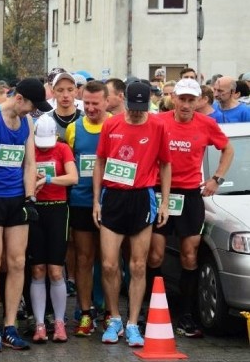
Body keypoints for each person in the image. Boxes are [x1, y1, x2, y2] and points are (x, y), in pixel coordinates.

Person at [0, 77, 51, 352]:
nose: (32, 111)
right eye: (30, 105)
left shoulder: (27, 123)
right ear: (19, 99)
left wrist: (30, 197)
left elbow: (30, 162)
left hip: (17, 199)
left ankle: (10, 325)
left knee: (17, 262)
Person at [147, 78, 233, 338]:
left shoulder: (207, 124)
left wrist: (216, 178)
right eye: (181, 99)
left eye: (190, 100)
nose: (185, 104)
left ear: (199, 101)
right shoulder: (159, 121)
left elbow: (227, 149)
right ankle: (152, 309)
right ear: (174, 99)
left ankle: (186, 314)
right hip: (161, 193)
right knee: (155, 255)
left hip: (190, 195)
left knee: (189, 255)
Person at [93, 81, 171, 348]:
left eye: (141, 107)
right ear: (124, 101)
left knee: (138, 265)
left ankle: (133, 323)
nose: (137, 113)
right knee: (109, 264)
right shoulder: (111, 124)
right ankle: (114, 317)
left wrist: (164, 202)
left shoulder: (158, 125)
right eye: (133, 107)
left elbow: (166, 164)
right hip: (113, 197)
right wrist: (96, 201)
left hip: (142, 196)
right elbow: (100, 161)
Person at [64, 80, 111, 337]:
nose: (91, 108)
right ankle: (85, 312)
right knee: (83, 258)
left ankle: (109, 312)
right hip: (81, 200)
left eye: (96, 103)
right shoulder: (74, 128)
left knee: (109, 261)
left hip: (111, 201)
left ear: (106, 101)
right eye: (88, 103)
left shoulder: (116, 125)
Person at [28, 114, 78, 343]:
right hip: (36, 210)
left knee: (56, 271)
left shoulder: (62, 149)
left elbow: (72, 177)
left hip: (58, 209)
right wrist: (31, 182)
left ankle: (59, 322)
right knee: (37, 269)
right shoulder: (30, 148)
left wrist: (47, 180)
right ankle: (39, 323)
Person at [48, 72, 82, 137]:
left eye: (70, 90)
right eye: (60, 90)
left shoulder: (85, 119)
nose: (65, 95)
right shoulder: (46, 121)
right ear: (53, 93)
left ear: (76, 92)